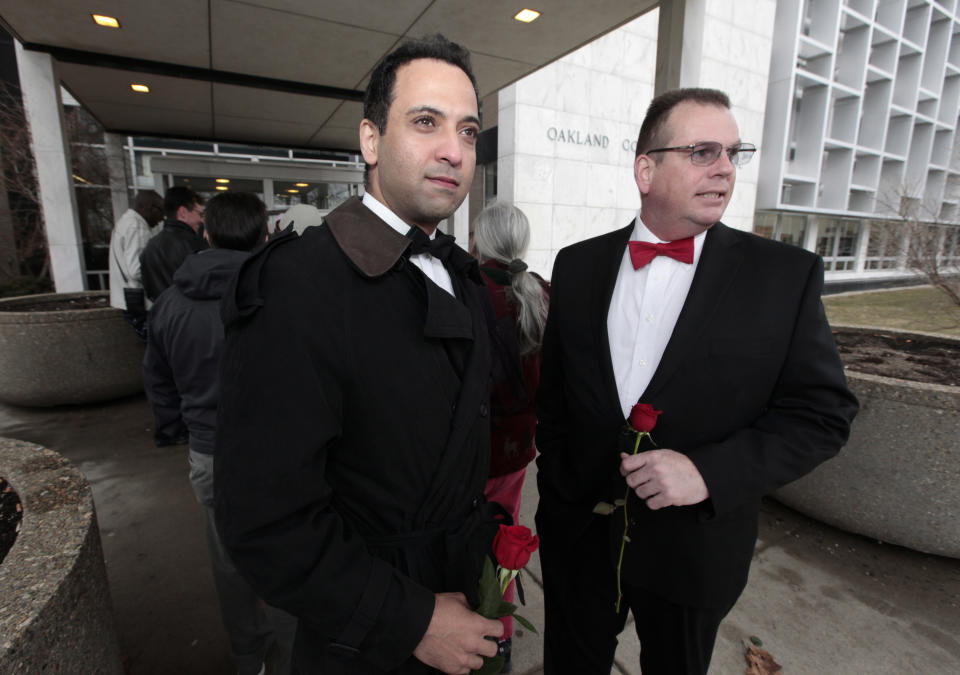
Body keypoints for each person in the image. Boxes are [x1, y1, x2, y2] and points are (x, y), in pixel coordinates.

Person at [534, 88, 859, 675]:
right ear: (646, 169)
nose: (726, 169)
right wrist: (558, 485)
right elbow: (555, 394)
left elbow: (822, 416)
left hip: (693, 553)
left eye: (735, 153)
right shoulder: (577, 265)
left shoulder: (783, 277)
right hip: (578, 537)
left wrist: (709, 473)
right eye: (704, 151)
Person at [214, 34, 505, 675]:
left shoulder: (461, 272)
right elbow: (263, 523)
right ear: (370, 141)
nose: (453, 151)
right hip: (367, 635)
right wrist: (414, 619)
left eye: (468, 131)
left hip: (468, 605)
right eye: (425, 122)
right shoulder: (296, 285)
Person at [142, 192, 296, 675]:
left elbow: (159, 384)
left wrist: (176, 429)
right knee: (290, 557)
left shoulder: (168, 305)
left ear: (206, 233)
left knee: (229, 564)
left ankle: (248, 657)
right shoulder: (283, 296)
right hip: (278, 455)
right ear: (262, 235)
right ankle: (298, 657)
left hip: (209, 453)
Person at [473, 202, 549, 670]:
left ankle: (473, 631)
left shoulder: (468, 289)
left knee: (464, 540)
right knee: (505, 537)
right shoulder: (541, 291)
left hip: (472, 449)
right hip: (520, 447)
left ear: (480, 241)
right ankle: (499, 633)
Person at [108, 190, 164, 335]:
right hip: (140, 301)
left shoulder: (125, 222)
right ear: (150, 208)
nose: (161, 219)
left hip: (128, 298)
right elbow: (137, 269)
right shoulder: (137, 226)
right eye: (160, 212)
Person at [140, 186, 208, 302]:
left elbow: (149, 290)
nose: (201, 220)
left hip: (163, 315)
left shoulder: (150, 247)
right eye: (200, 214)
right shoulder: (196, 246)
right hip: (191, 316)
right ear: (183, 212)